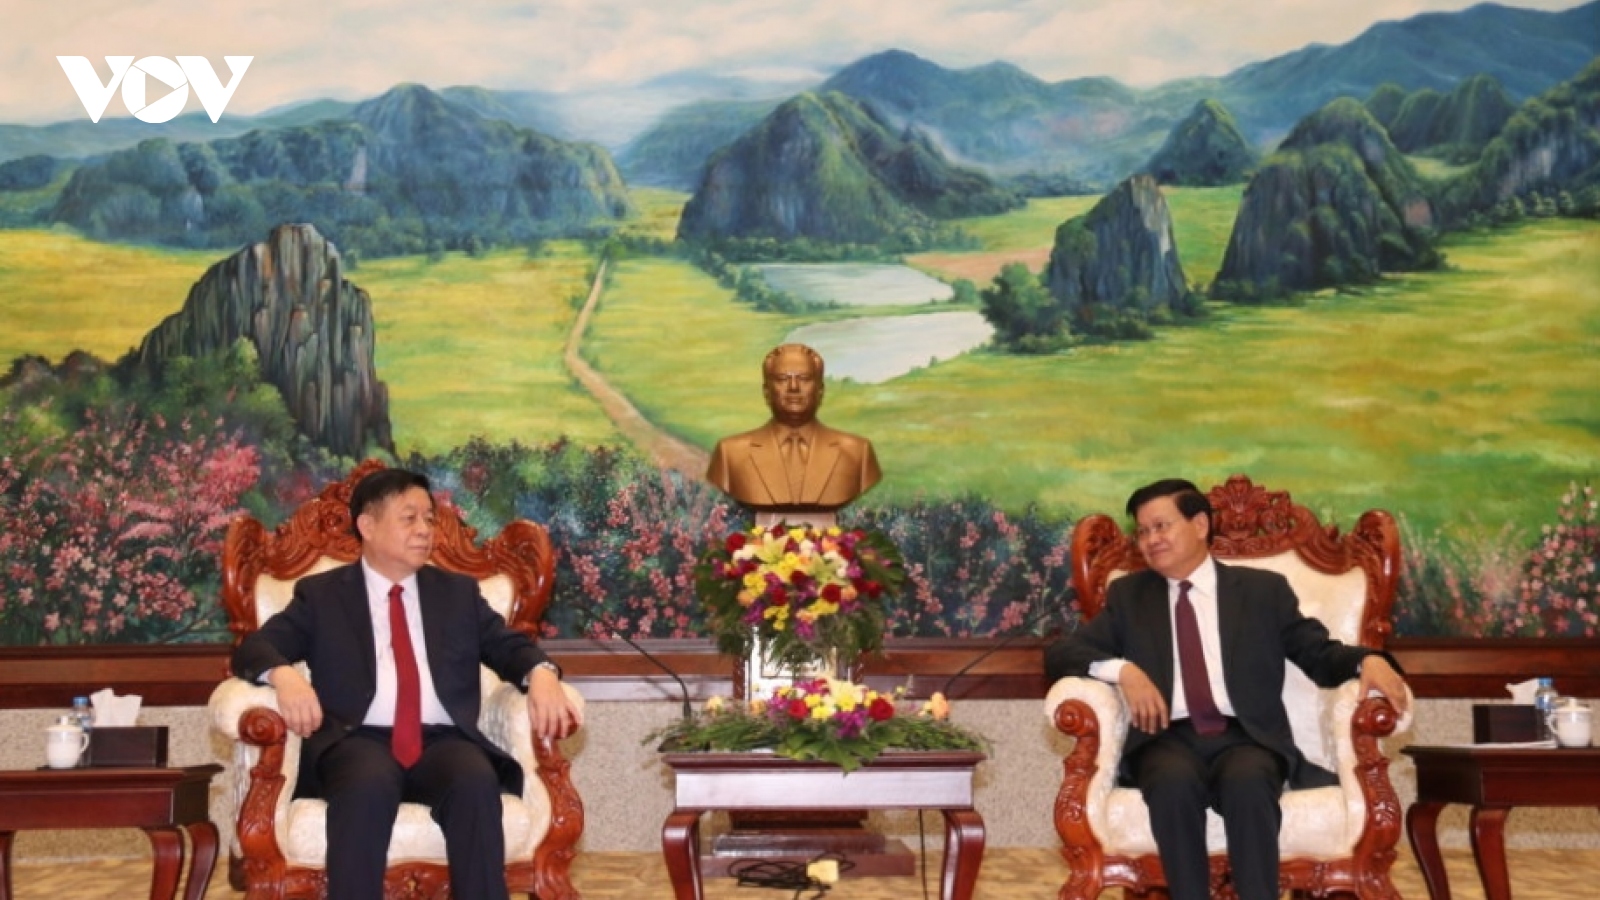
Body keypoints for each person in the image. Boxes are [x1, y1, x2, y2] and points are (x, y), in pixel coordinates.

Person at [1043, 478, 1409, 900]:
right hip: (1166, 738)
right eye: (1142, 532)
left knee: (1249, 783)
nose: (1150, 540)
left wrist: (1368, 661)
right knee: (1172, 784)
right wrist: (1123, 671)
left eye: (1161, 526)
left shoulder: (1262, 592)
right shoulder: (1130, 596)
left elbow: (1318, 654)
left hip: (1246, 737)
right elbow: (1062, 654)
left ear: (1199, 525)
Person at [231, 467, 581, 900]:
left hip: (442, 741)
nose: (424, 530)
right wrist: (284, 677)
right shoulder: (322, 595)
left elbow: (507, 646)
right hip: (357, 739)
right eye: (409, 518)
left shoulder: (457, 593)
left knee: (475, 780)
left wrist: (541, 673)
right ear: (367, 525)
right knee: (366, 784)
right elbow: (255, 648)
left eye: (429, 519)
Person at [705, 343, 881, 511]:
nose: (794, 387)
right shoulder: (730, 454)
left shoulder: (857, 453)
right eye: (782, 379)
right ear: (766, 391)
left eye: (804, 378)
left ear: (820, 390)